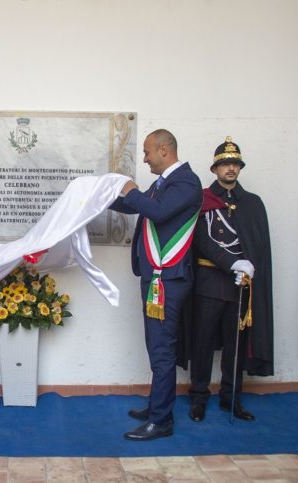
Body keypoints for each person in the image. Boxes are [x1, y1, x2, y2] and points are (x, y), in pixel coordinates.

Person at [109, 128, 203, 441]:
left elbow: (157, 211)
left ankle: (161, 421)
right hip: (156, 279)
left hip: (169, 280)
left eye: (148, 153)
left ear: (164, 149)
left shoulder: (186, 182)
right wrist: (102, 199)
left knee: (162, 349)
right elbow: (138, 205)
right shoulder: (166, 183)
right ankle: (156, 406)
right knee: (156, 345)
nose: (146, 159)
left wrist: (131, 188)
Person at [186, 137, 274, 422]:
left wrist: (247, 267)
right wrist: (231, 262)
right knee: (202, 345)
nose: (230, 169)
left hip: (240, 287)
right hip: (210, 284)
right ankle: (198, 396)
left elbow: (258, 246)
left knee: (235, 348)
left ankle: (231, 397)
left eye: (235, 163)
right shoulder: (201, 200)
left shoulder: (252, 203)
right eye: (225, 164)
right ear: (215, 168)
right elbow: (200, 240)